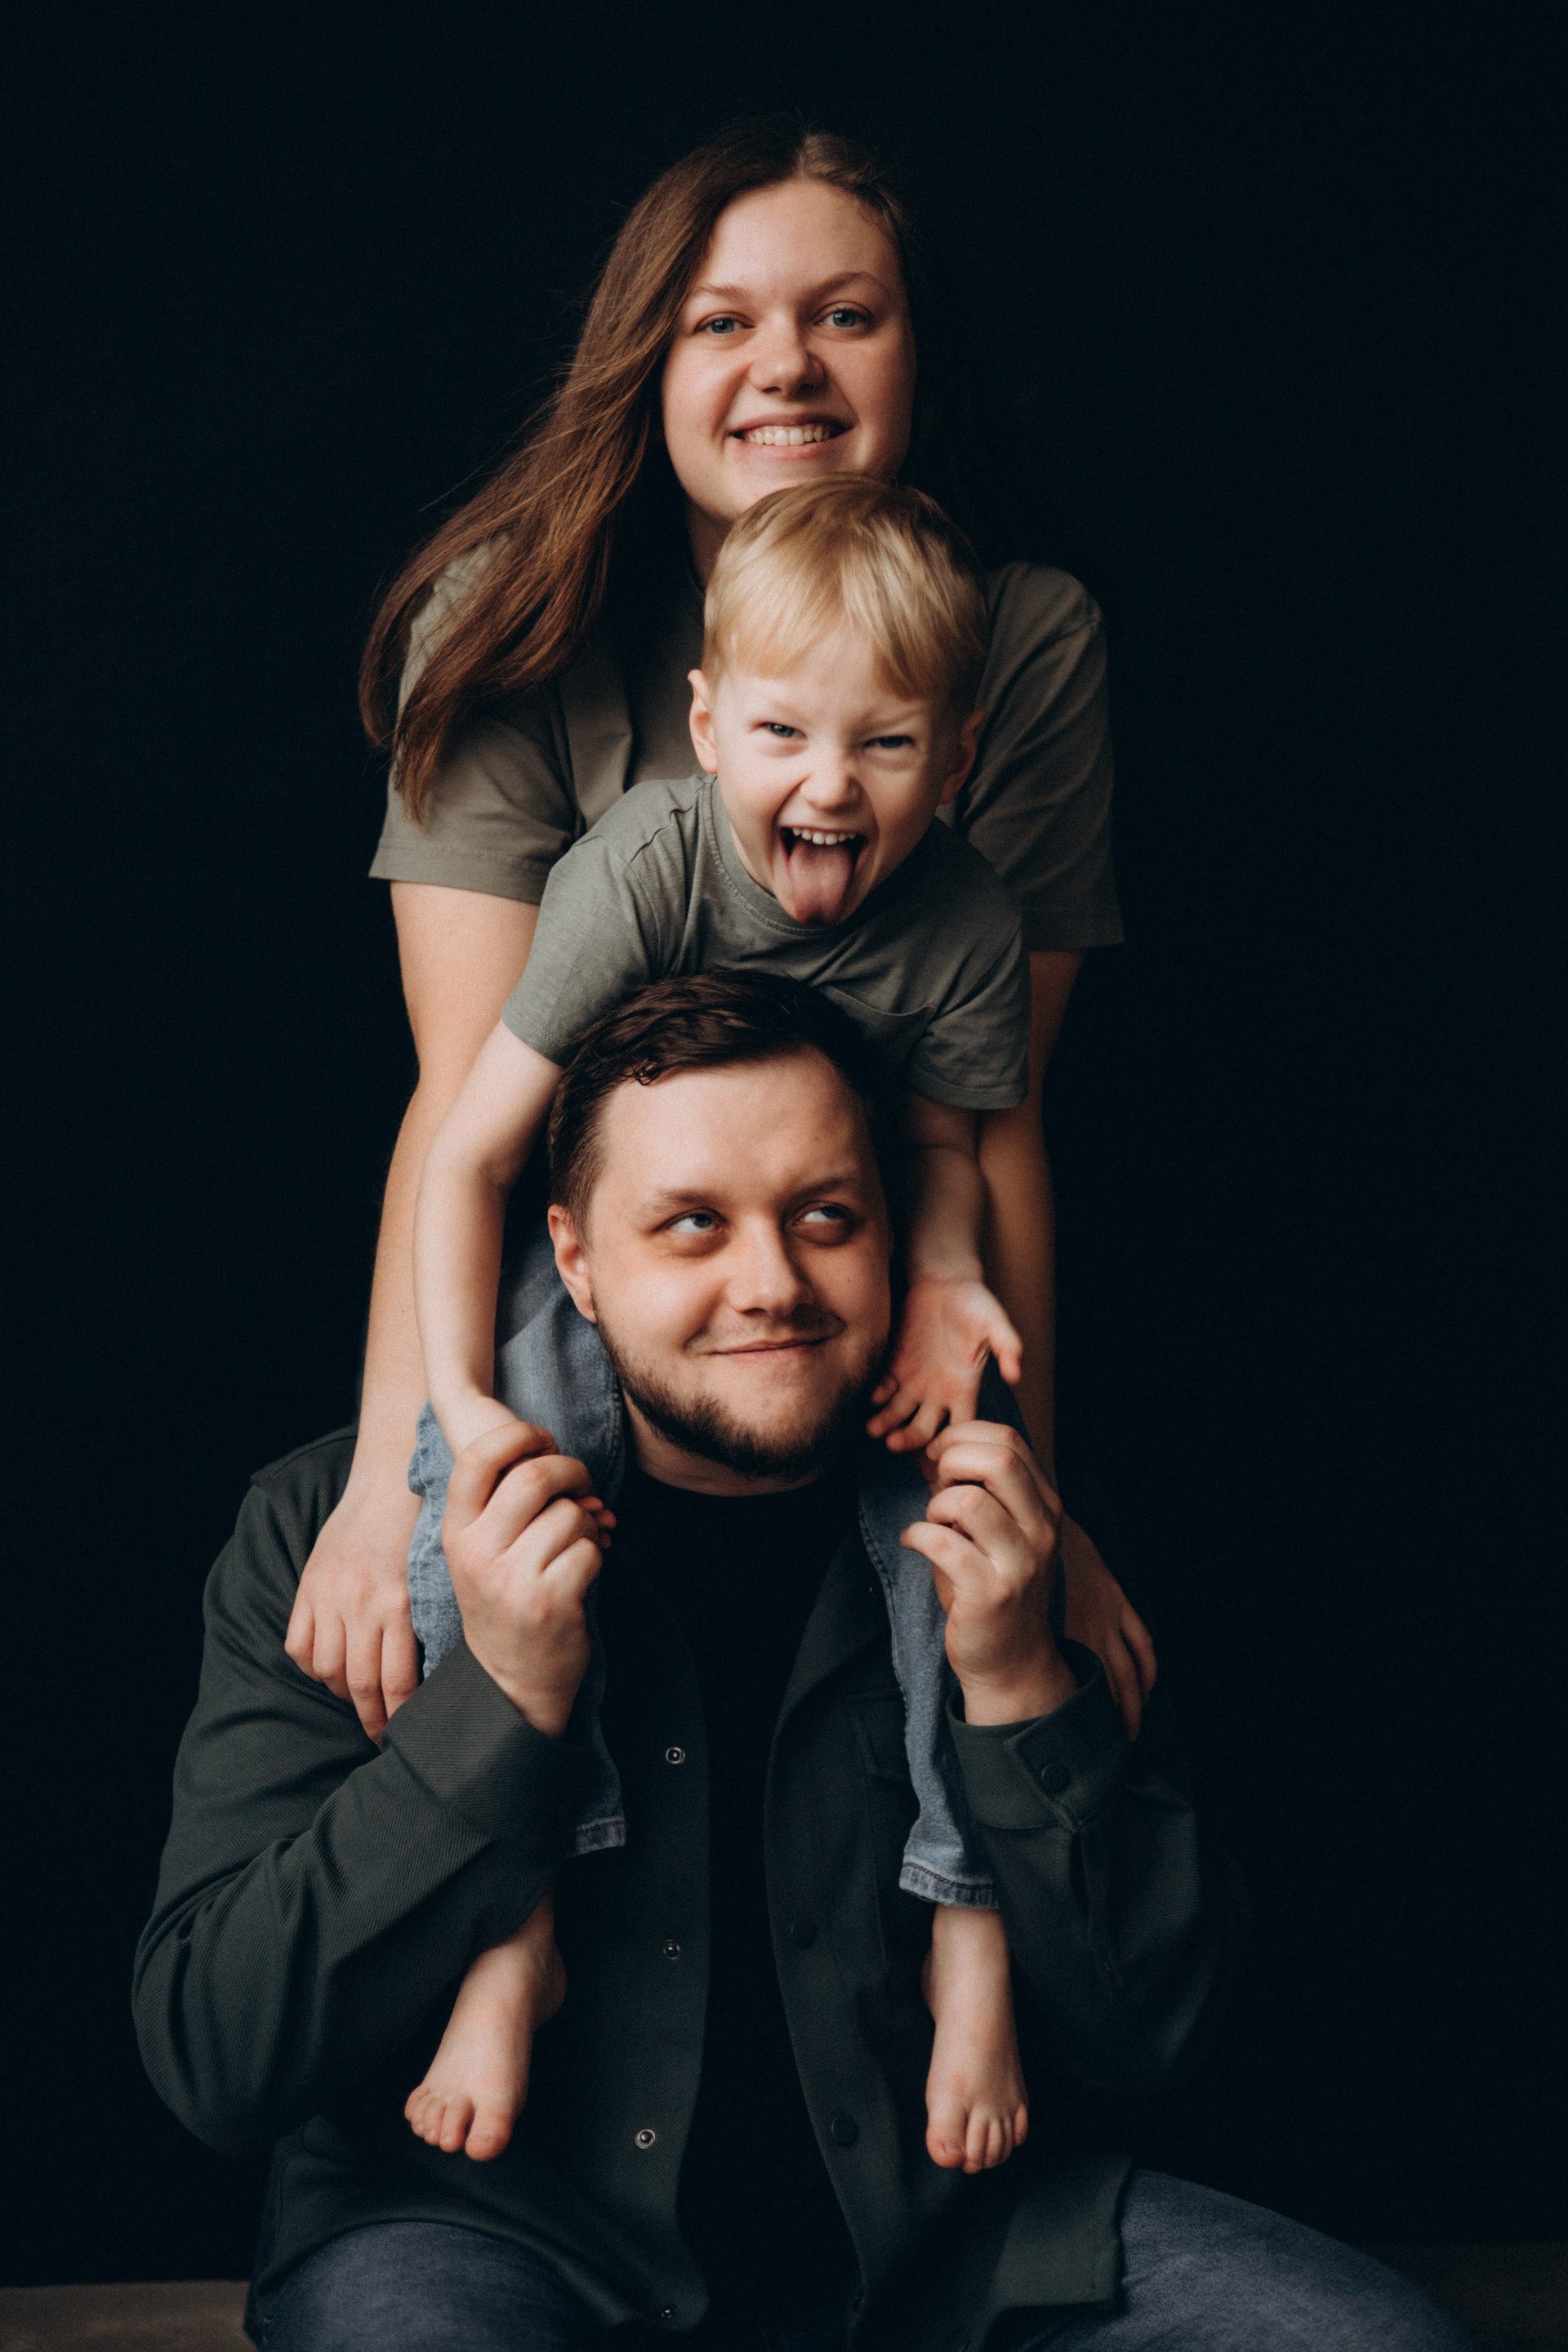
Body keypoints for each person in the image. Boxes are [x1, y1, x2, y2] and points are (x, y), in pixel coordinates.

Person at [136, 976, 1476, 2352]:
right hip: (490, 2238)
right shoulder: (350, 1539)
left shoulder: (1023, 1532)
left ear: (895, 1234)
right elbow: (217, 2058)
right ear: (575, 1260)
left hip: (961, 2258)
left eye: (825, 1217)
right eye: (693, 1224)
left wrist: (1020, 1687)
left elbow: (1160, 2040)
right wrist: (505, 1703)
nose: (772, 1284)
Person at [284, 119, 1156, 1753]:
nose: (790, 366)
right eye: (724, 321)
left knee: (971, 1639)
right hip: (598, 1270)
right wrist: (397, 1462)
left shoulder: (1021, 641)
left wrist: (1035, 1494)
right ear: (649, 364)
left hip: (872, 1263)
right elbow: (468, 1102)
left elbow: (985, 1122)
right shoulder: (510, 632)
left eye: (848, 315)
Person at [404, 479, 1039, 2177]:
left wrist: (949, 1283)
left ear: (959, 755)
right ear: (706, 727)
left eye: (886, 745)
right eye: (781, 734)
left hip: (847, 1259)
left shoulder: (967, 922)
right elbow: (471, 1156)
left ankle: (968, 1916)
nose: (828, 785)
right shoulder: (645, 867)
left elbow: (943, 1153)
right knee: (462, 1521)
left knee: (962, 1514)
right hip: (617, 1263)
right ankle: (515, 1921)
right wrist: (461, 1401)